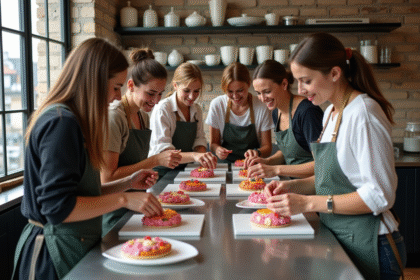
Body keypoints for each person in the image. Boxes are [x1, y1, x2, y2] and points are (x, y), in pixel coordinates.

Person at [12, 38, 163, 280]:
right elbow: (58, 208)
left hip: (72, 245)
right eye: (115, 87)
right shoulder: (61, 123)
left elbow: (83, 195)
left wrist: (128, 183)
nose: (117, 96)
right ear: (93, 80)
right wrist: (124, 198)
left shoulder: (73, 121)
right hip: (52, 254)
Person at [264, 33, 406, 280]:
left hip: (372, 244)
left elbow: (380, 195)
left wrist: (308, 203)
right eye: (297, 81)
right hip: (342, 238)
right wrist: (290, 187)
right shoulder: (331, 112)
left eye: (306, 81)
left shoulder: (363, 114)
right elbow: (330, 178)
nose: (300, 90)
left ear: (335, 73)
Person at [101, 48, 181, 236]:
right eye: (151, 93)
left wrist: (144, 175)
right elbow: (107, 178)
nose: (155, 101)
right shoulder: (115, 117)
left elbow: (131, 167)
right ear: (130, 85)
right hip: (113, 212)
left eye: (160, 94)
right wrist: (155, 161)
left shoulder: (141, 115)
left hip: (136, 206)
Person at [245, 60, 323, 179]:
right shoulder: (276, 112)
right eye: (258, 93)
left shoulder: (307, 112)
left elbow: (322, 164)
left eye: (267, 92)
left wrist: (276, 169)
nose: (262, 98)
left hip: (314, 187)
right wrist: (266, 161)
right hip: (293, 183)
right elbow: (287, 152)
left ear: (284, 84)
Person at [148, 62, 217, 177]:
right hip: (162, 173)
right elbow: (166, 154)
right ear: (175, 86)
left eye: (196, 91)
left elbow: (199, 139)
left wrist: (203, 157)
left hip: (186, 171)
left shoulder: (196, 110)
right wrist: (195, 156)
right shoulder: (163, 109)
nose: (192, 97)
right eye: (186, 91)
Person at [206, 62, 274, 163]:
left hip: (252, 164)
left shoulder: (261, 106)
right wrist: (217, 150)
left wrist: (257, 153)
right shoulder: (217, 105)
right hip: (225, 164)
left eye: (240, 90)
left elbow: (267, 147)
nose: (235, 96)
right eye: (230, 91)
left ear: (249, 84)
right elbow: (213, 144)